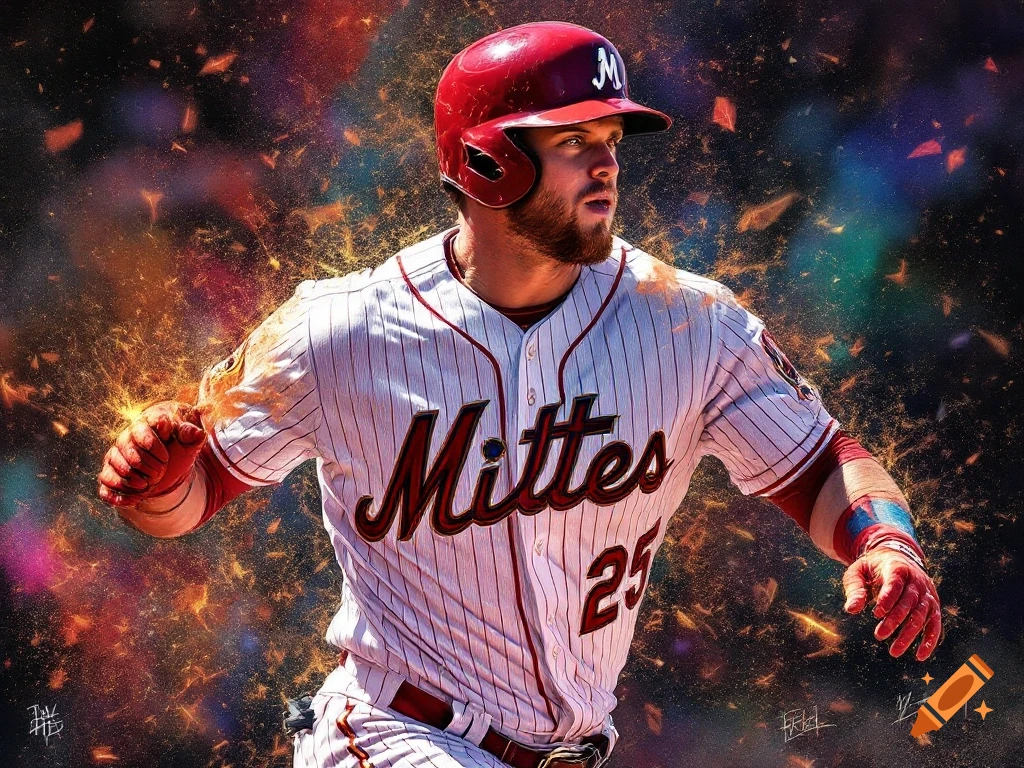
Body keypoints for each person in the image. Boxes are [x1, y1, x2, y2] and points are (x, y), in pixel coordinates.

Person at [97, 21, 942, 768]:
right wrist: (156, 482)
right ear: (487, 160)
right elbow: (186, 498)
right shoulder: (335, 330)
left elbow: (827, 462)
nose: (608, 162)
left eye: (612, 136)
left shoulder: (689, 322)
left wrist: (888, 544)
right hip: (394, 734)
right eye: (574, 139)